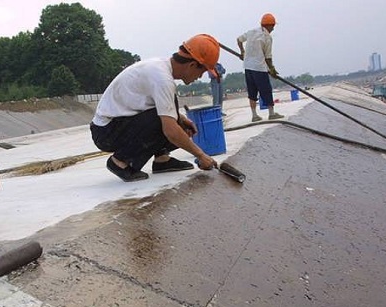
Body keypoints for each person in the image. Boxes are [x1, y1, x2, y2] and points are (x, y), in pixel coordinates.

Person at [90, 34, 219, 182]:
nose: (199, 76)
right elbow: (170, 131)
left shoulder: (163, 69)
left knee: (175, 118)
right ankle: (119, 162)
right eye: (201, 72)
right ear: (191, 65)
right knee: (167, 123)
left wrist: (181, 119)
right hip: (106, 132)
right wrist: (201, 155)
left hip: (119, 124)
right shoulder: (162, 78)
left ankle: (162, 160)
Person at [237, 13, 284, 122]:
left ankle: (254, 115)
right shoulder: (267, 37)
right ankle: (271, 113)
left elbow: (239, 40)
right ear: (269, 25)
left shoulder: (251, 32)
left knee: (252, 92)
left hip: (248, 66)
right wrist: (272, 69)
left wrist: (242, 51)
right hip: (259, 67)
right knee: (266, 90)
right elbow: (268, 57)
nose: (273, 28)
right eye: (273, 26)